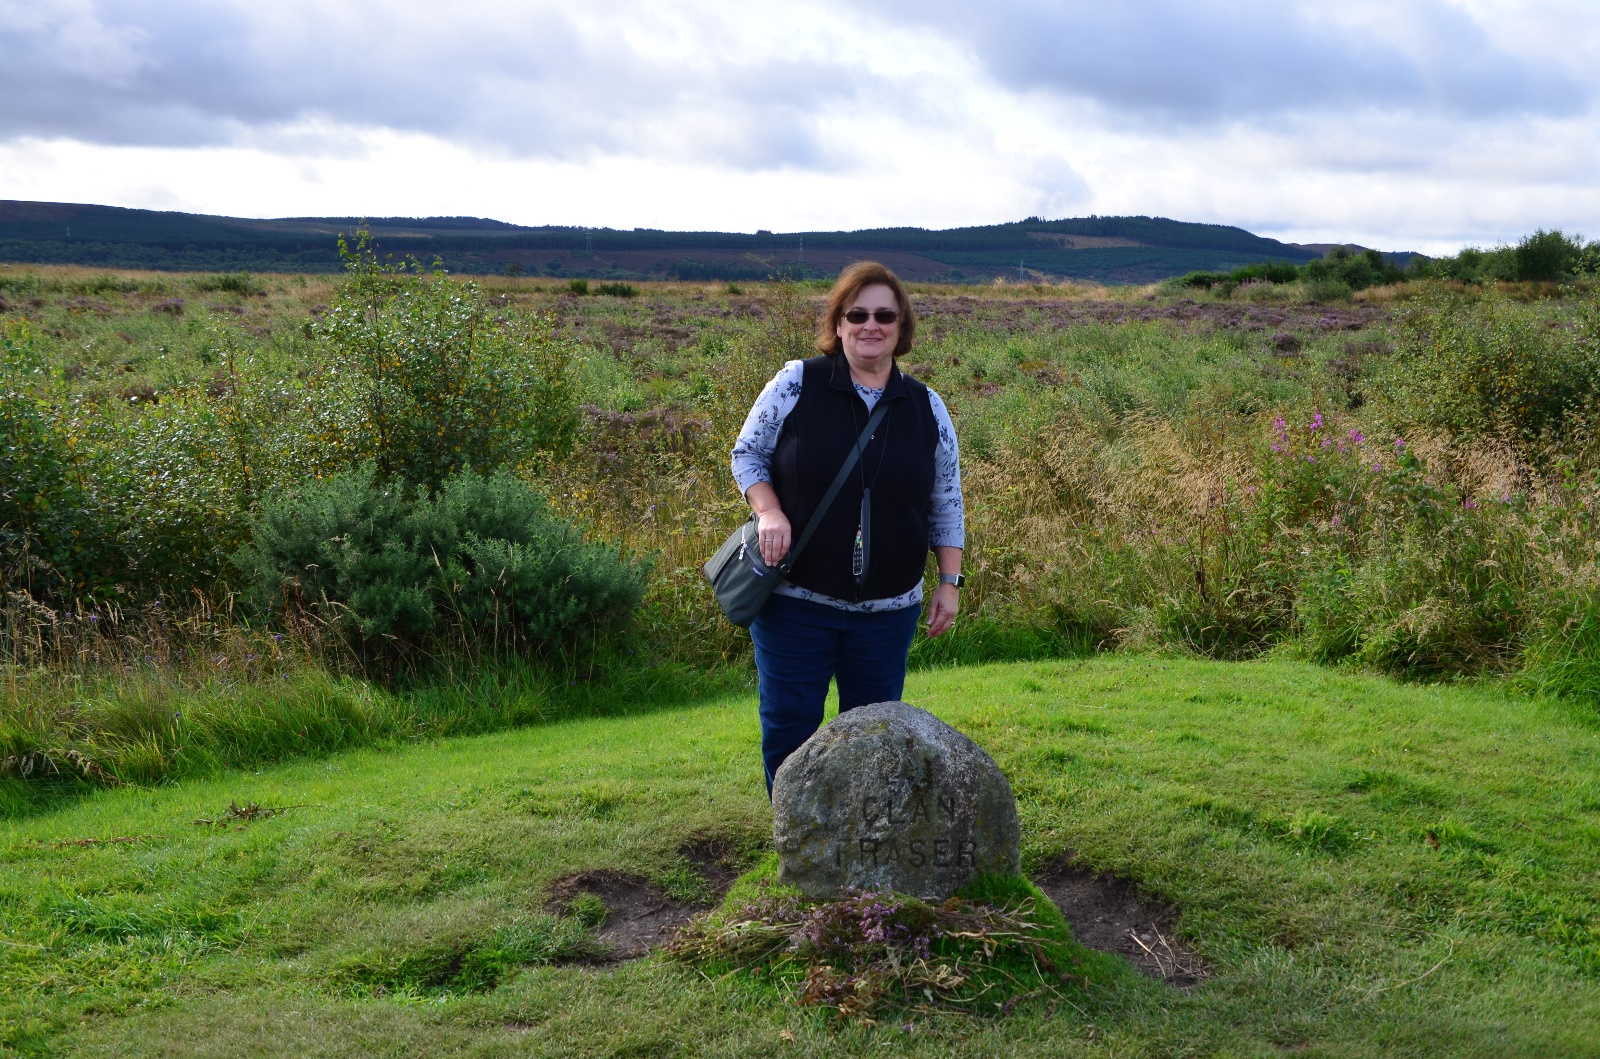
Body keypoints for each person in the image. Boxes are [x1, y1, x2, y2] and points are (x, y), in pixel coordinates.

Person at [731, 261, 965, 793]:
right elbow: (747, 455)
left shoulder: (927, 407)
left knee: (875, 738)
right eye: (856, 314)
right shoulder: (796, 383)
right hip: (794, 604)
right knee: (791, 730)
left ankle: (862, 851)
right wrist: (769, 511)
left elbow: (946, 501)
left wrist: (949, 583)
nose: (870, 325)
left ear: (902, 328)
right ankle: (800, 849)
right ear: (837, 325)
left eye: (884, 314)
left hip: (887, 614)